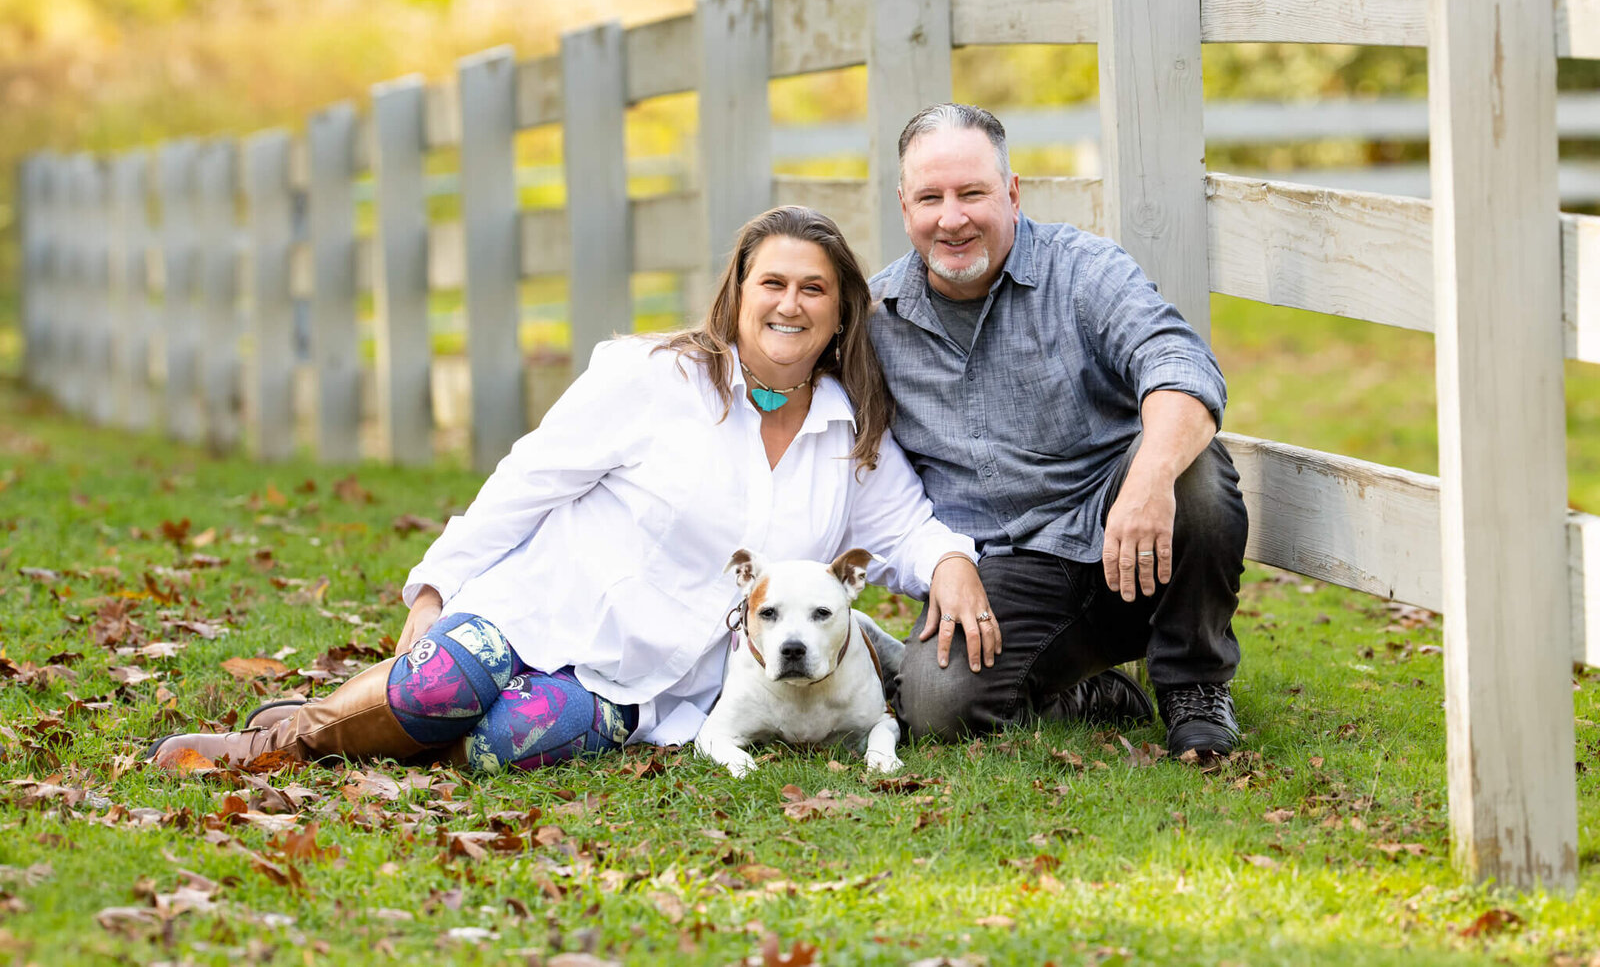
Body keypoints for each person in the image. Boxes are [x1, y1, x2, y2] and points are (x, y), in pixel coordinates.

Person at [149, 206, 988, 772]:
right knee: (444, 683)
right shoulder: (653, 378)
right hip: (543, 608)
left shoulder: (850, 432)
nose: (791, 305)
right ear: (737, 298)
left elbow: (910, 528)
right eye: (772, 283)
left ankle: (401, 722)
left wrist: (949, 561)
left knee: (502, 746)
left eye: (814, 290)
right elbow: (529, 478)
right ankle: (286, 741)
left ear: (842, 313)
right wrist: (438, 582)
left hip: (642, 680)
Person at [870, 103, 1249, 757]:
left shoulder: (1085, 271)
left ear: (1012, 194)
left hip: (1126, 532)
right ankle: (1082, 691)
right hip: (1007, 566)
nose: (952, 217)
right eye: (931, 197)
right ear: (904, 206)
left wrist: (1149, 481)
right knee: (934, 706)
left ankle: (1194, 682)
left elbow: (1182, 365)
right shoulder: (878, 319)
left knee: (1193, 466)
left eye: (973, 193)